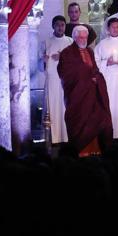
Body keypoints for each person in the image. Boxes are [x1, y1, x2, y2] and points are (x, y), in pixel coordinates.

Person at [57, 24, 113, 156]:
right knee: (80, 122)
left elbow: (95, 70)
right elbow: (66, 74)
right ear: (75, 38)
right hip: (78, 96)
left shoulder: (90, 51)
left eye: (85, 37)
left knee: (101, 119)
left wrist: (96, 79)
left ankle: (96, 150)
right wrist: (87, 78)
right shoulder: (67, 53)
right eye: (80, 37)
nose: (83, 40)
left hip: (93, 94)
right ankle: (81, 152)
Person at [44, 15, 72, 144]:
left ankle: (67, 136)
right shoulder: (47, 42)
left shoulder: (70, 41)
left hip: (67, 80)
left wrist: (63, 56)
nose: (60, 27)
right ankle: (54, 138)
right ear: (53, 26)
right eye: (57, 25)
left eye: (62, 25)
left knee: (66, 107)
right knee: (54, 107)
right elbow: (41, 65)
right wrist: (43, 61)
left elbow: (75, 61)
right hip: (53, 80)